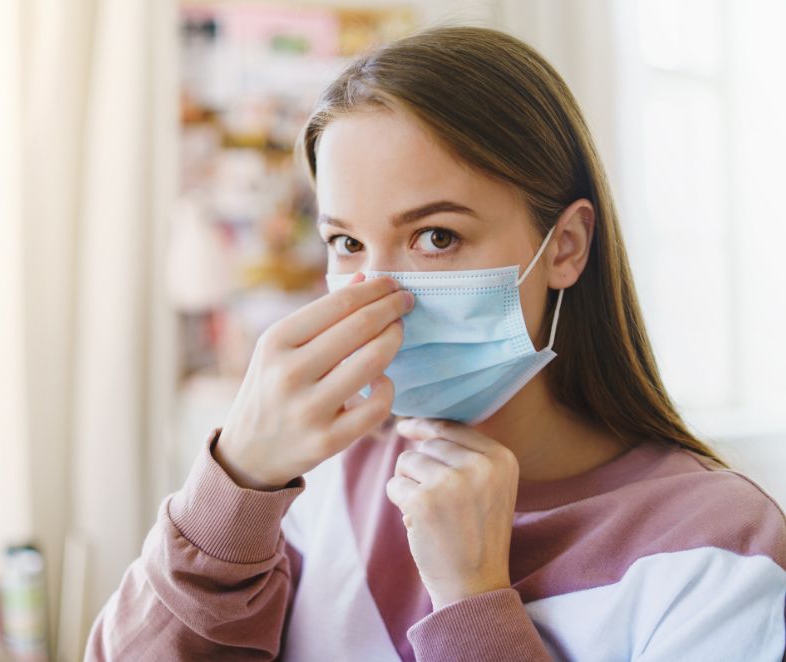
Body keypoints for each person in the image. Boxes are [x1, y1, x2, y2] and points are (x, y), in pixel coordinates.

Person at [85, 26, 786, 661]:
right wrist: (234, 483)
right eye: (347, 243)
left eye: (436, 236)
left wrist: (473, 601)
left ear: (565, 247)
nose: (378, 292)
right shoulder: (319, 481)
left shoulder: (718, 546)